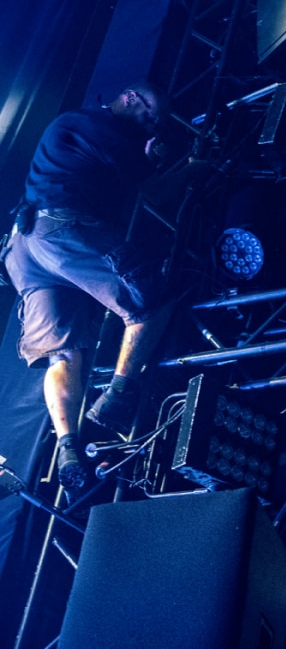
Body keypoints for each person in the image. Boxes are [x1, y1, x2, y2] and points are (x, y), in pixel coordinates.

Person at [2, 82, 176, 497]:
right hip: (59, 230)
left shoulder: (80, 132)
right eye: (151, 112)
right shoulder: (91, 122)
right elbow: (145, 185)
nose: (155, 123)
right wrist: (155, 161)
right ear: (130, 96)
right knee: (150, 302)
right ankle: (118, 396)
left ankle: (67, 448)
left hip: (24, 248)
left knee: (62, 353)